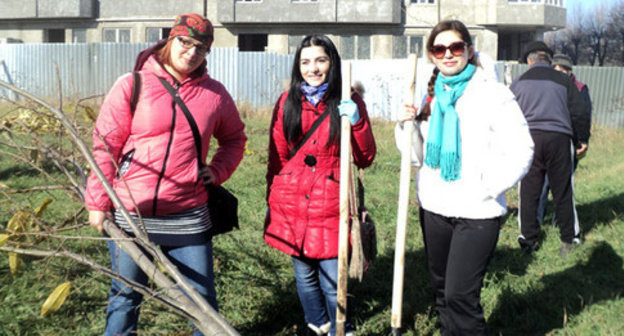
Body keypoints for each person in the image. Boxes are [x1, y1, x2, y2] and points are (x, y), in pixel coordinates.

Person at [84, 13, 247, 336]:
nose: (192, 52)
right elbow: (105, 146)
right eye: (185, 42)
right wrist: (98, 202)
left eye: (201, 47)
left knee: (201, 302)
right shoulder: (133, 85)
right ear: (170, 40)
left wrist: (216, 171)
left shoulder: (214, 94)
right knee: (125, 296)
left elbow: (235, 139)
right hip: (132, 213)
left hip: (188, 213)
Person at [396, 20, 534, 335]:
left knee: (461, 296)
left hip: (477, 212)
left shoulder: (493, 94)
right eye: (439, 48)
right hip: (434, 207)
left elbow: (522, 148)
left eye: (456, 47)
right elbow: (416, 156)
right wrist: (406, 125)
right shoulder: (432, 96)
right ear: (431, 55)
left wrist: (488, 187)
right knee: (443, 292)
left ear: (469, 51)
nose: (448, 54)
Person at [264, 34, 376, 336]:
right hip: (292, 204)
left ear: (332, 63)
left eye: (320, 60)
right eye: (305, 61)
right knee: (304, 276)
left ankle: (342, 326)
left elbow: (365, 157)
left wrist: (357, 122)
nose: (312, 68)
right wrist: (271, 201)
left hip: (331, 203)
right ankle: (316, 324)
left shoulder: (349, 100)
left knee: (331, 277)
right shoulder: (287, 102)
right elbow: (278, 157)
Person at [511, 42, 590, 257]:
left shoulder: (518, 83)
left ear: (529, 61)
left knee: (528, 190)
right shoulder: (564, 81)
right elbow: (579, 112)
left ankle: (528, 239)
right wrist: (581, 138)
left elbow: (508, 116)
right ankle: (569, 239)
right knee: (563, 189)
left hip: (529, 139)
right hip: (559, 138)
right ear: (549, 60)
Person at [536, 53, 592, 224]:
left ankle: (559, 221)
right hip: (545, 141)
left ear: (570, 71)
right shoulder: (545, 86)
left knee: (563, 185)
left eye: (564, 69)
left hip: (569, 142)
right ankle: (537, 219)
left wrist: (582, 141)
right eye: (557, 68)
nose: (561, 72)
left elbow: (584, 115)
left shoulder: (580, 88)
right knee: (542, 184)